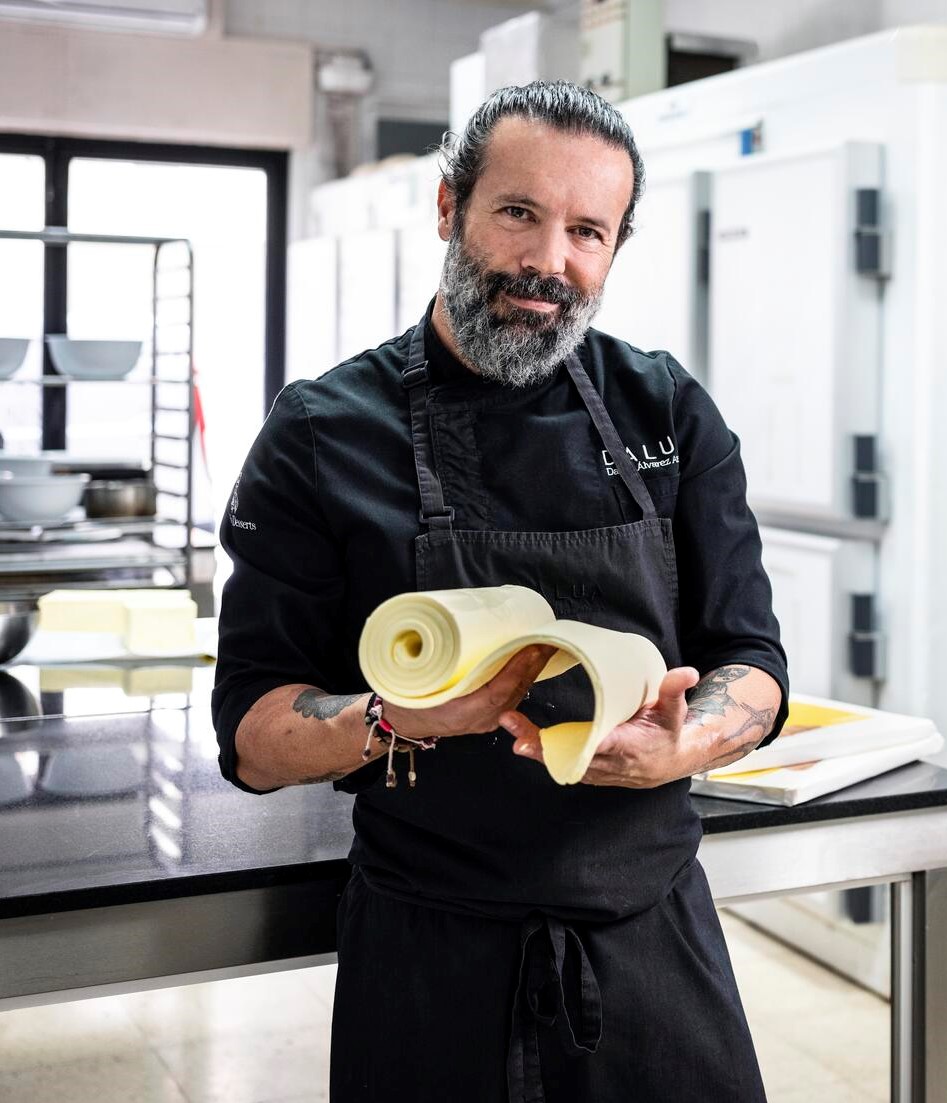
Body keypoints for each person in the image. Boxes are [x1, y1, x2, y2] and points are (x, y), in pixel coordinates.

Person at [213, 80, 788, 1103]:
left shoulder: (668, 408)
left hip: (653, 933)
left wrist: (687, 739)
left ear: (615, 249)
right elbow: (256, 735)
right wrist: (398, 715)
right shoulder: (321, 432)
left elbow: (754, 662)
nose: (549, 262)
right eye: (519, 212)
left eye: (588, 231)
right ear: (450, 208)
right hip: (430, 950)